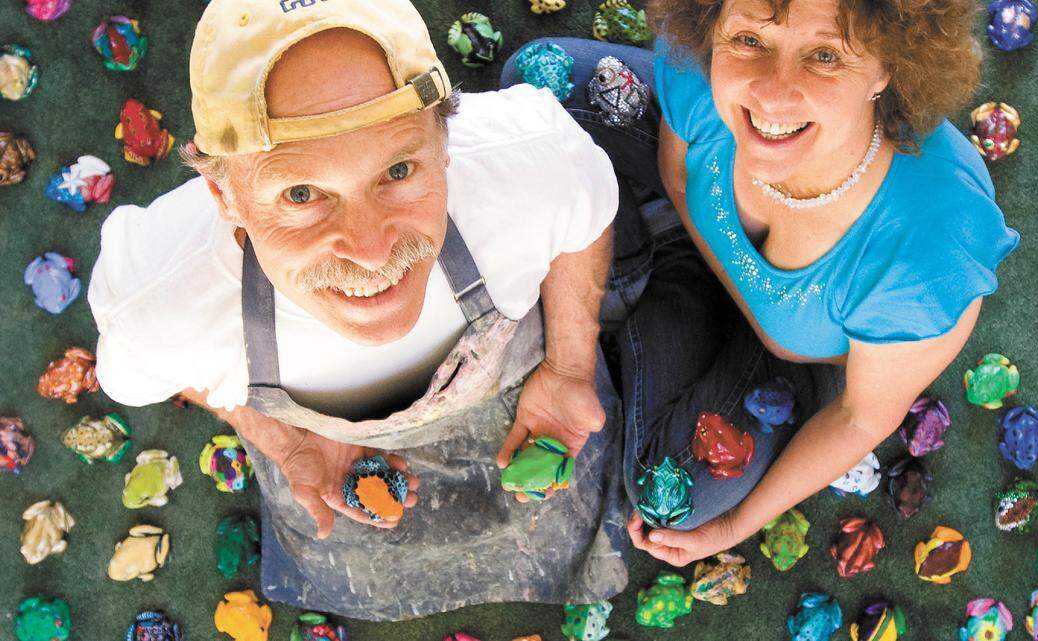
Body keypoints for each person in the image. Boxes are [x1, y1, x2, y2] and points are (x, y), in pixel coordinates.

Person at [88, 0, 632, 621]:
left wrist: (568, 367)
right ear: (224, 195)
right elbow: (148, 372)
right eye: (301, 194)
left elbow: (587, 208)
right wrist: (285, 441)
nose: (372, 253)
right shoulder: (156, 305)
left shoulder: (529, 159)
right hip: (325, 450)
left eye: (398, 170)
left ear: (445, 141)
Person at [503, 0, 1019, 568]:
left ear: (887, 67)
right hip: (686, 242)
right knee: (536, 86)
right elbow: (678, 179)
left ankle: (619, 279)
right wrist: (571, 364)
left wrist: (735, 525)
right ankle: (629, 277)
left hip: (780, 360)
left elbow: (861, 417)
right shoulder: (702, 67)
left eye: (825, 56)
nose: (771, 95)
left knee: (669, 496)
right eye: (750, 40)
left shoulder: (930, 250)